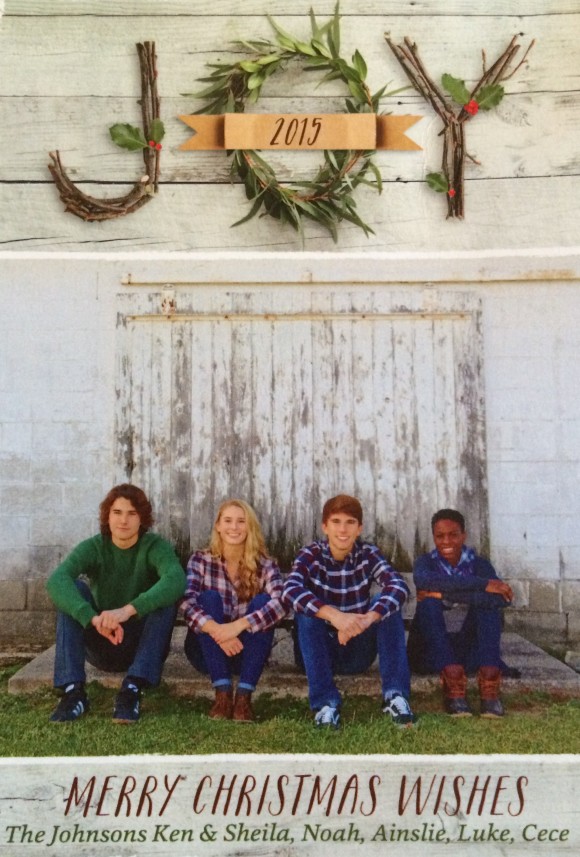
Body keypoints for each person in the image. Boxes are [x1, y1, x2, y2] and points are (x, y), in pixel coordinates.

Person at [46, 484, 186, 724]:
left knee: (165, 599)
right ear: (107, 516)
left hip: (139, 644)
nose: (123, 520)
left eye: (132, 513)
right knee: (73, 590)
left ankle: (132, 689)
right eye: (117, 512)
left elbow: (176, 579)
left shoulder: (154, 546)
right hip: (101, 639)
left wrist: (127, 611)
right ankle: (73, 693)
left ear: (142, 518)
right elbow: (56, 580)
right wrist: (93, 618)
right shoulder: (95, 546)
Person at [283, 494, 416, 729]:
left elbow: (398, 585)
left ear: (359, 528)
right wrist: (337, 618)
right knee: (306, 613)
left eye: (350, 522)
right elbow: (290, 590)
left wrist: (366, 620)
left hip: (357, 651)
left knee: (386, 605)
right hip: (317, 651)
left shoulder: (368, 554)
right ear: (325, 526)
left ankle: (395, 697)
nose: (342, 530)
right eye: (336, 522)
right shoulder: (310, 554)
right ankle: (325, 706)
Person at [181, 499, 286, 722]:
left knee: (264, 601)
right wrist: (219, 632)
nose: (234, 527)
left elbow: (282, 603)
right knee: (208, 598)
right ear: (218, 526)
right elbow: (186, 603)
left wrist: (237, 626)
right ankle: (222, 695)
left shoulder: (266, 565)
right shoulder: (201, 560)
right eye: (228, 521)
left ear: (250, 527)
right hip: (205, 652)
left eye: (241, 521)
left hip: (246, 654)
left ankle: (244, 698)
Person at [408, 508, 513, 718]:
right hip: (431, 654)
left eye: (453, 535)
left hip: (469, 653)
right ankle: (453, 685)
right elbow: (423, 580)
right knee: (428, 602)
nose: (447, 541)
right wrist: (482, 585)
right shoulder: (425, 562)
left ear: (463, 535)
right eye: (440, 536)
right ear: (434, 538)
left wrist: (443, 594)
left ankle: (489, 687)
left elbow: (500, 598)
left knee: (487, 606)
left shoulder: (480, 565)